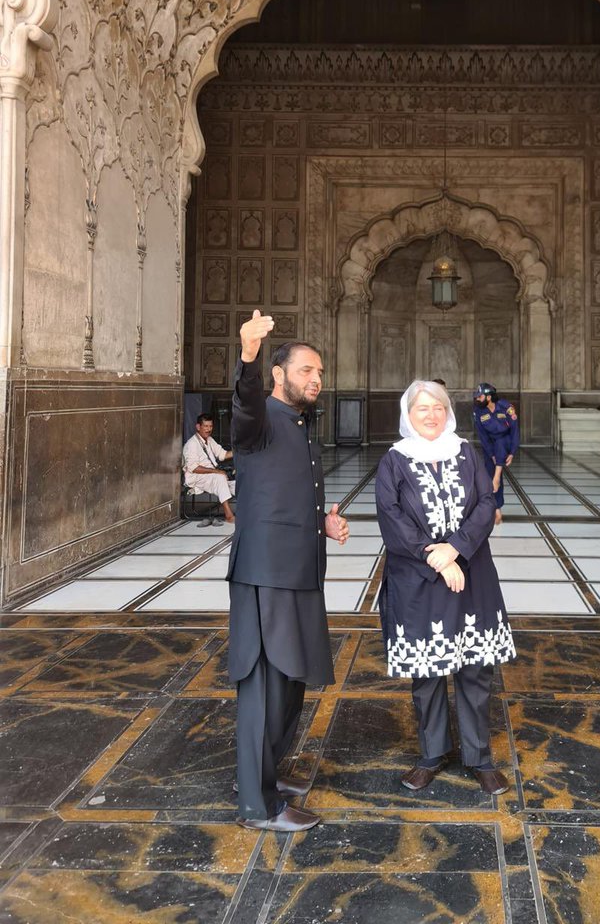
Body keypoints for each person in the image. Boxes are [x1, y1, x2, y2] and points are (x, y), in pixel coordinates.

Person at [228, 310, 350, 832]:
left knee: (292, 679)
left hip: (298, 567)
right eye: (305, 370)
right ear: (280, 375)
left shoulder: (300, 424)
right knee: (264, 683)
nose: (315, 379)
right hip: (265, 572)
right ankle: (258, 805)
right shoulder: (259, 417)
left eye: (319, 372)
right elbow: (244, 405)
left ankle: (264, 775)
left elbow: (279, 490)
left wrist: (320, 521)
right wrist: (249, 354)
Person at [375, 380, 516, 795]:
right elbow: (391, 516)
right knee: (427, 671)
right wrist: (432, 556)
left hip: (470, 575)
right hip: (417, 580)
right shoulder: (394, 460)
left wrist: (455, 550)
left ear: (448, 411)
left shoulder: (467, 452)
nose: (431, 415)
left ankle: (479, 756)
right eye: (422, 409)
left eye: (437, 406)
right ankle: (431, 754)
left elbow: (486, 504)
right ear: (408, 415)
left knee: (475, 669)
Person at [472, 382, 519, 525]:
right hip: (490, 446)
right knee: (489, 474)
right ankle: (496, 507)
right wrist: (491, 454)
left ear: (489, 397)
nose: (477, 399)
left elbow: (515, 430)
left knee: (501, 443)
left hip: (505, 442)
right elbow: (483, 436)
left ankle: (497, 478)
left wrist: (512, 451)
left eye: (480, 396)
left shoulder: (506, 407)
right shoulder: (478, 411)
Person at [182, 414, 235, 524]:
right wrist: (217, 471)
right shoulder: (191, 444)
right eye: (205, 426)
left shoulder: (209, 440)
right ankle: (229, 516)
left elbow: (222, 455)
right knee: (220, 478)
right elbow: (194, 468)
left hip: (211, 475)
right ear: (198, 427)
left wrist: (239, 452)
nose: (208, 429)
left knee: (238, 484)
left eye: (210, 426)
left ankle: (249, 513)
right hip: (197, 477)